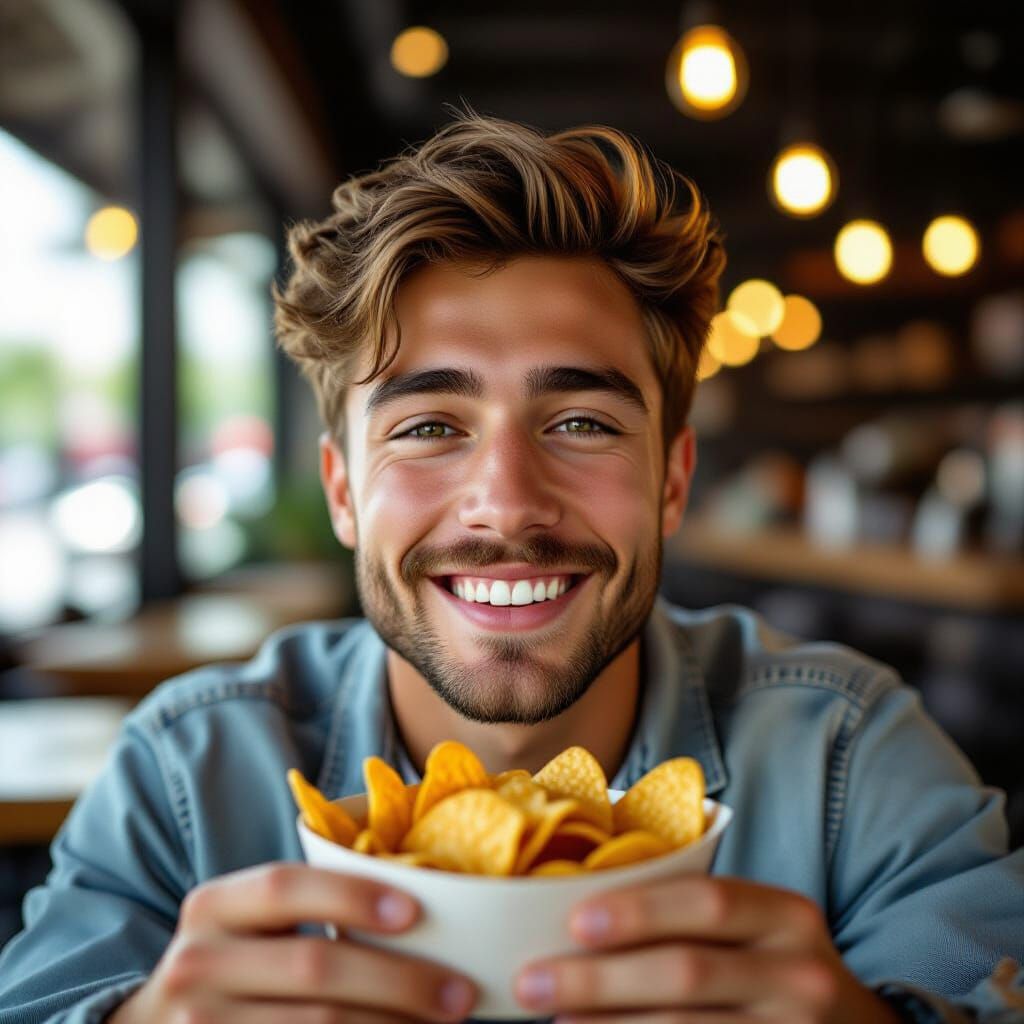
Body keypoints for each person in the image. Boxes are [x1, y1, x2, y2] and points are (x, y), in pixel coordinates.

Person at [1, 112, 1021, 1024]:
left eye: (580, 421)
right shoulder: (185, 780)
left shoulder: (844, 759)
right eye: (431, 425)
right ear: (344, 491)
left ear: (671, 481)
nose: (508, 503)